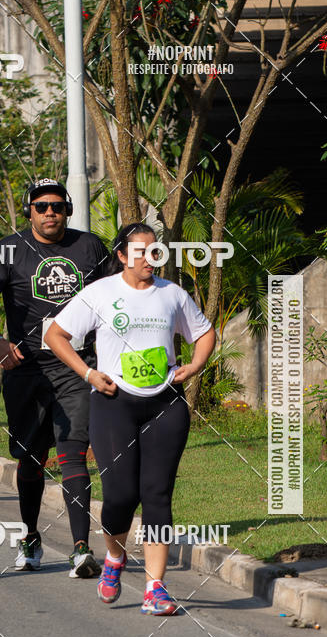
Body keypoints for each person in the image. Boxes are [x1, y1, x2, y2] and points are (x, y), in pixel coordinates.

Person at [44, 223, 216, 615]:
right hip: (113, 401)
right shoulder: (100, 293)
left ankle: (155, 588)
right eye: (138, 251)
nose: (148, 258)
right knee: (120, 495)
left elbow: (204, 334)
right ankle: (116, 559)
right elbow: (56, 335)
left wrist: (193, 366)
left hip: (164, 404)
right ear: (122, 256)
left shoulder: (172, 294)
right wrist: (88, 374)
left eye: (154, 251)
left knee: (156, 495)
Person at [0, 178, 111, 577]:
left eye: (57, 206)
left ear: (67, 209)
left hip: (76, 366)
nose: (50, 212)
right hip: (26, 369)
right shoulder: (9, 250)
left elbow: (117, 294)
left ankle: (81, 548)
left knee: (73, 451)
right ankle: (30, 537)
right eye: (41, 206)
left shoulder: (90, 247)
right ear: (30, 210)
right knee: (30, 460)